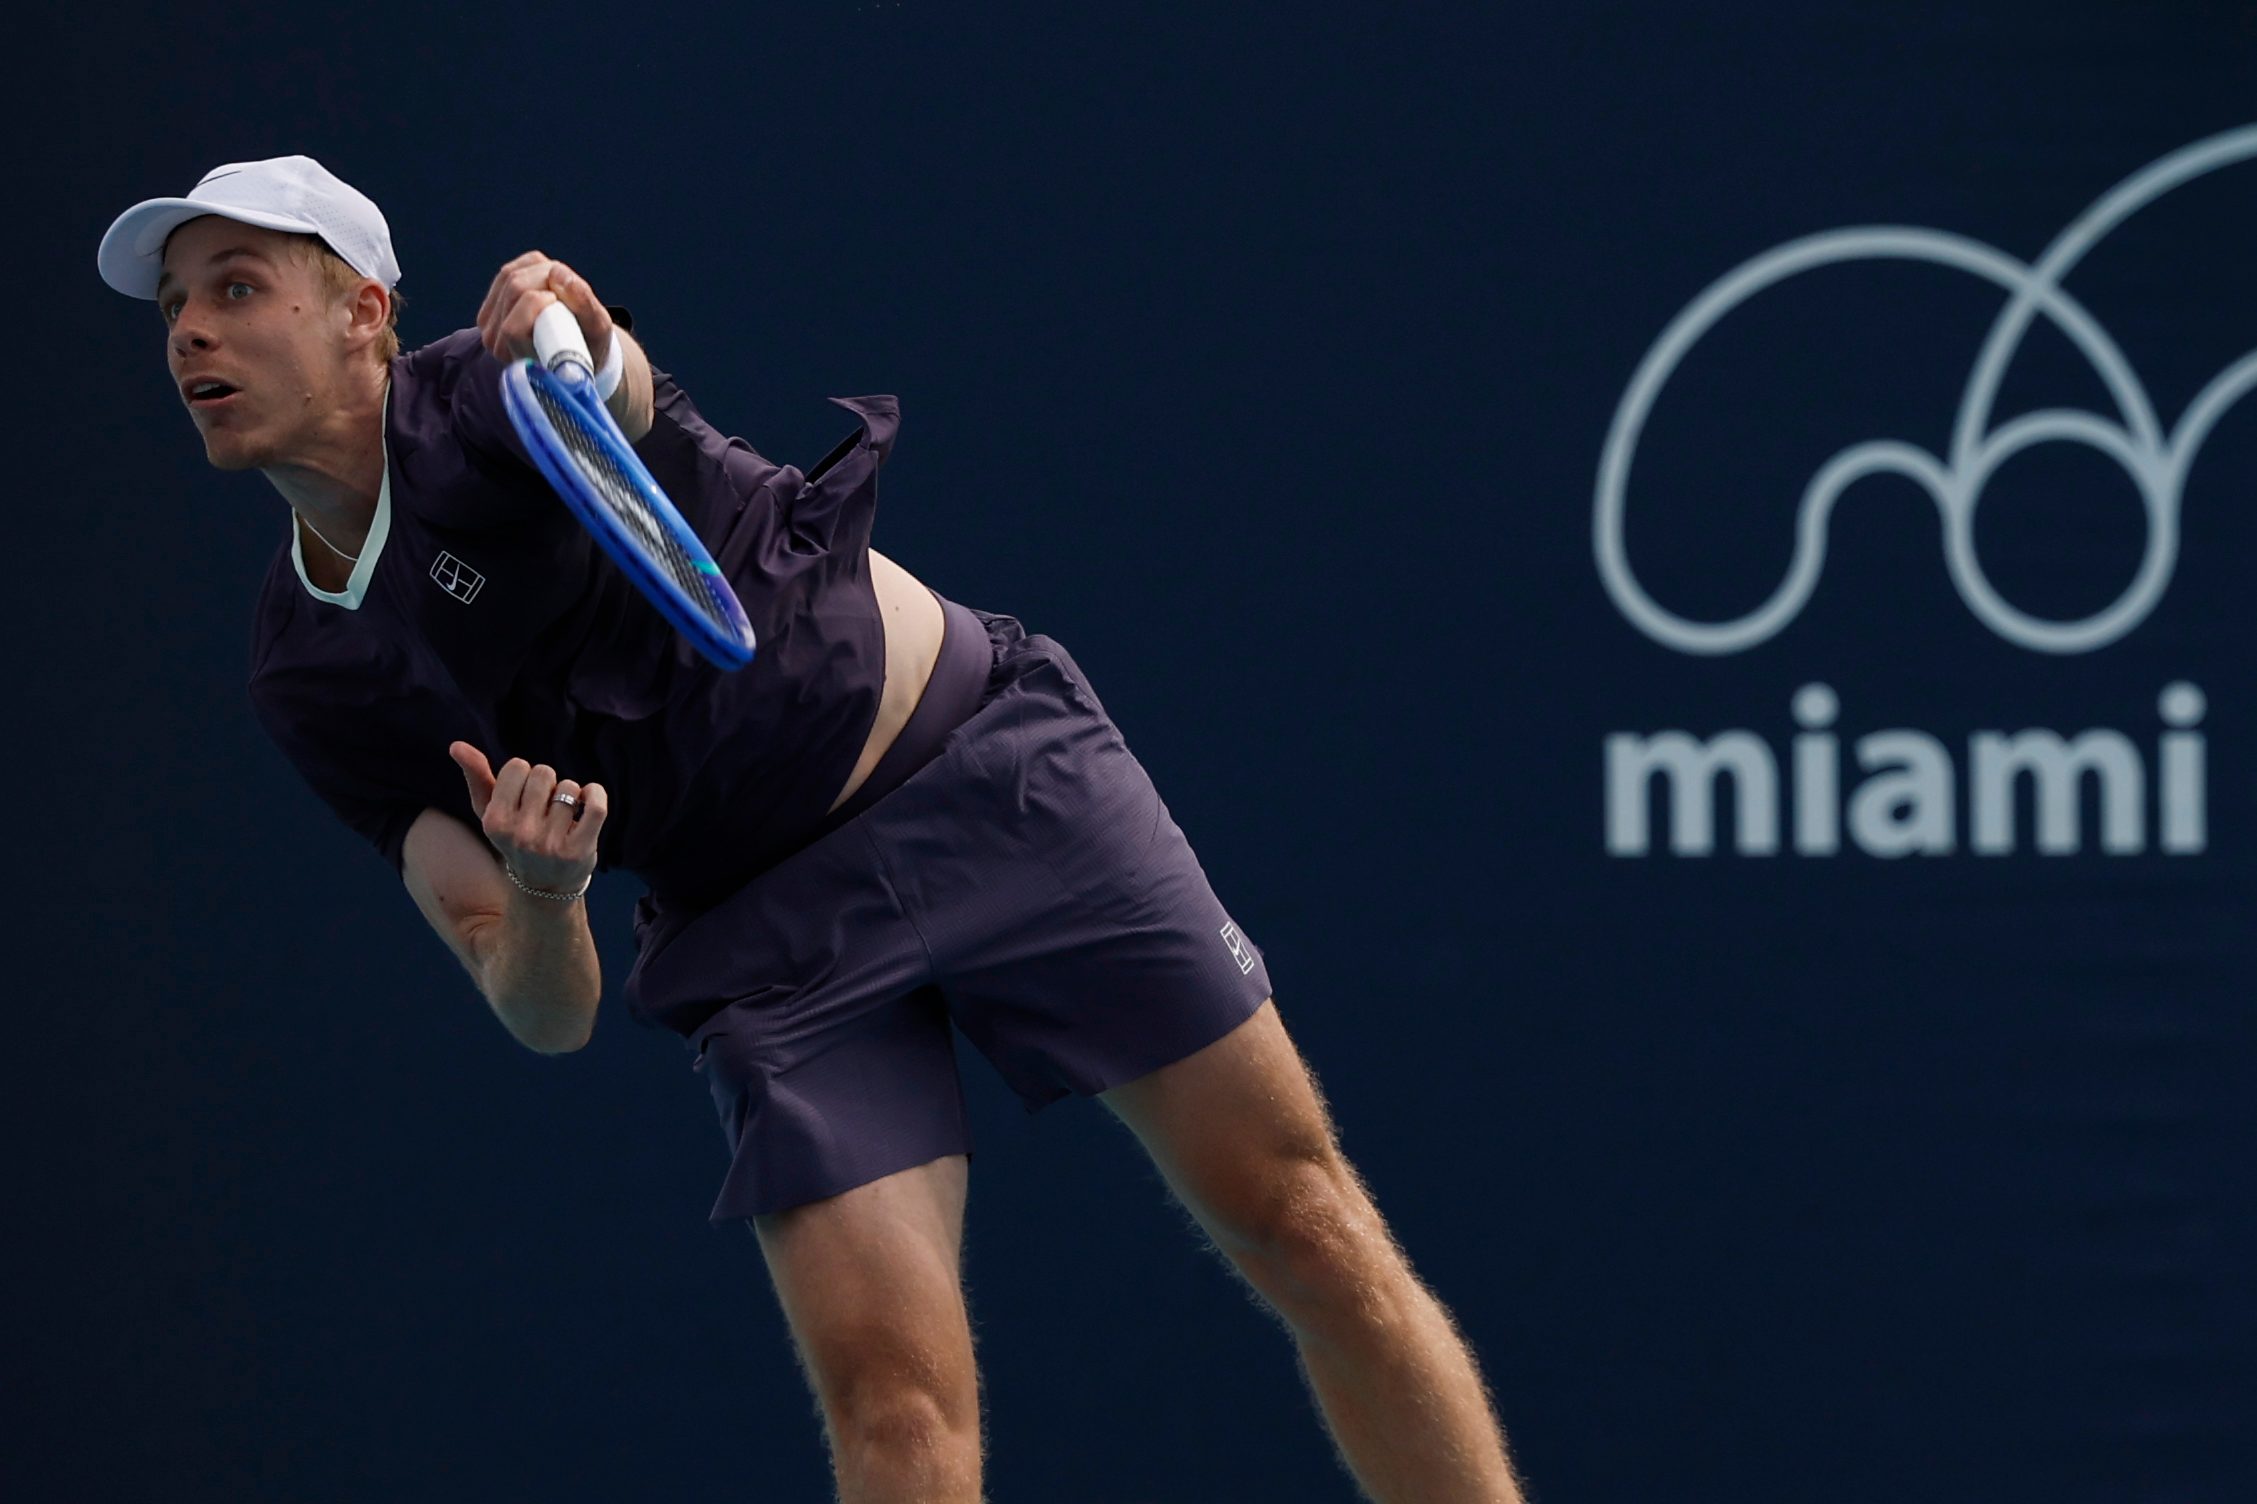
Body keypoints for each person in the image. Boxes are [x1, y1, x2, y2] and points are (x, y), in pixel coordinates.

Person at [100, 155, 1528, 1504]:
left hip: (991, 781)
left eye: (236, 287)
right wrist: (544, 898)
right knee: (894, 1415)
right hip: (769, 943)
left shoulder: (485, 396)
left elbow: (610, 387)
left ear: (363, 313)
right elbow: (542, 1011)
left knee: (1306, 1226)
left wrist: (579, 333)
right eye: (173, 308)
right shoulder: (309, 677)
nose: (190, 336)